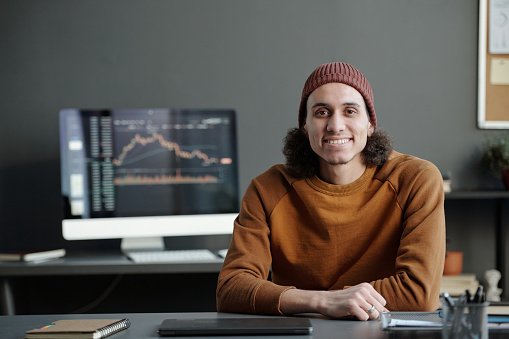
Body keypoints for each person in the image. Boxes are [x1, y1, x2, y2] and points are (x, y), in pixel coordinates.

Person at [216, 62, 446, 321]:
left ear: (370, 124)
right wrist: (323, 301)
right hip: (303, 335)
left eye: (350, 111)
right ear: (305, 126)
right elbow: (231, 288)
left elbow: (419, 294)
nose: (335, 125)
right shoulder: (267, 188)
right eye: (322, 112)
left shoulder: (415, 179)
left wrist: (316, 302)